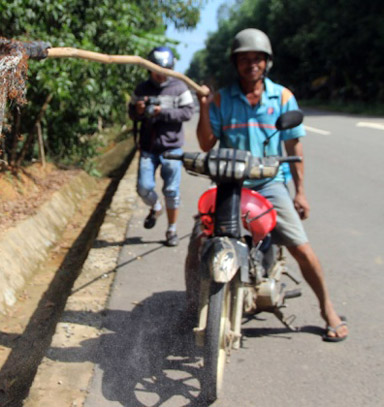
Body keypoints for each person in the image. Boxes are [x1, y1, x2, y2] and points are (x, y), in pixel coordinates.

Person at [195, 28, 348, 342]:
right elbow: (207, 143)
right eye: (244, 59)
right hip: (230, 185)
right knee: (199, 240)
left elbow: (294, 147)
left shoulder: (283, 97)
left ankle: (327, 308)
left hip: (269, 184)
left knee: (301, 249)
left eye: (257, 59)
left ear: (267, 63)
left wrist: (300, 192)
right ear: (235, 63)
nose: (251, 65)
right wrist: (205, 106)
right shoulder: (222, 97)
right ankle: (196, 303)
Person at [129, 46, 195, 246]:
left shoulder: (180, 88)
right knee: (143, 187)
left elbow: (188, 113)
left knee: (172, 191)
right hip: (149, 147)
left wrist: (162, 112)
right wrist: (139, 110)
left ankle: (172, 229)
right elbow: (132, 114)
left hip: (172, 149)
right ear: (149, 69)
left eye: (164, 70)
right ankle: (156, 207)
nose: (160, 75)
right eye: (156, 70)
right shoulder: (141, 89)